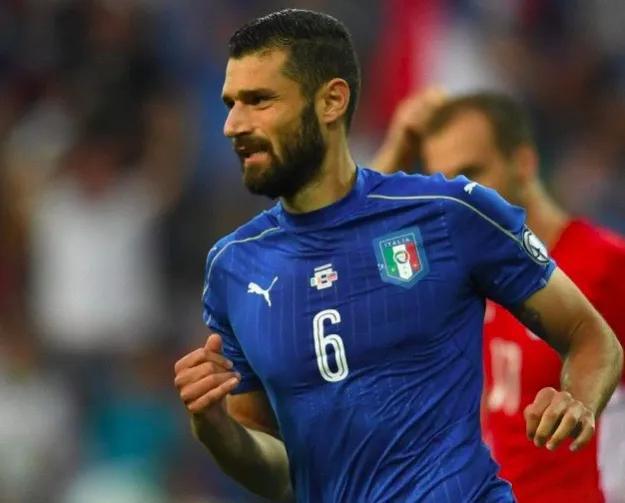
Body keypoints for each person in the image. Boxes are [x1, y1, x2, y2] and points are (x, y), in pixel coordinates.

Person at [174, 10, 623, 502]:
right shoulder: (233, 268)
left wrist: (578, 401)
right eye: (231, 104)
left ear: (332, 101)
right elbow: (281, 474)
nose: (233, 125)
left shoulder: (451, 213)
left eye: (259, 100)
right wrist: (216, 429)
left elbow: (590, 336)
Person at [372, 91, 625, 502]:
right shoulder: (453, 273)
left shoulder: (606, 266)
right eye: (442, 184)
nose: (457, 200)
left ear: (523, 163)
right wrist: (395, 150)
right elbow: (344, 257)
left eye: (471, 174)